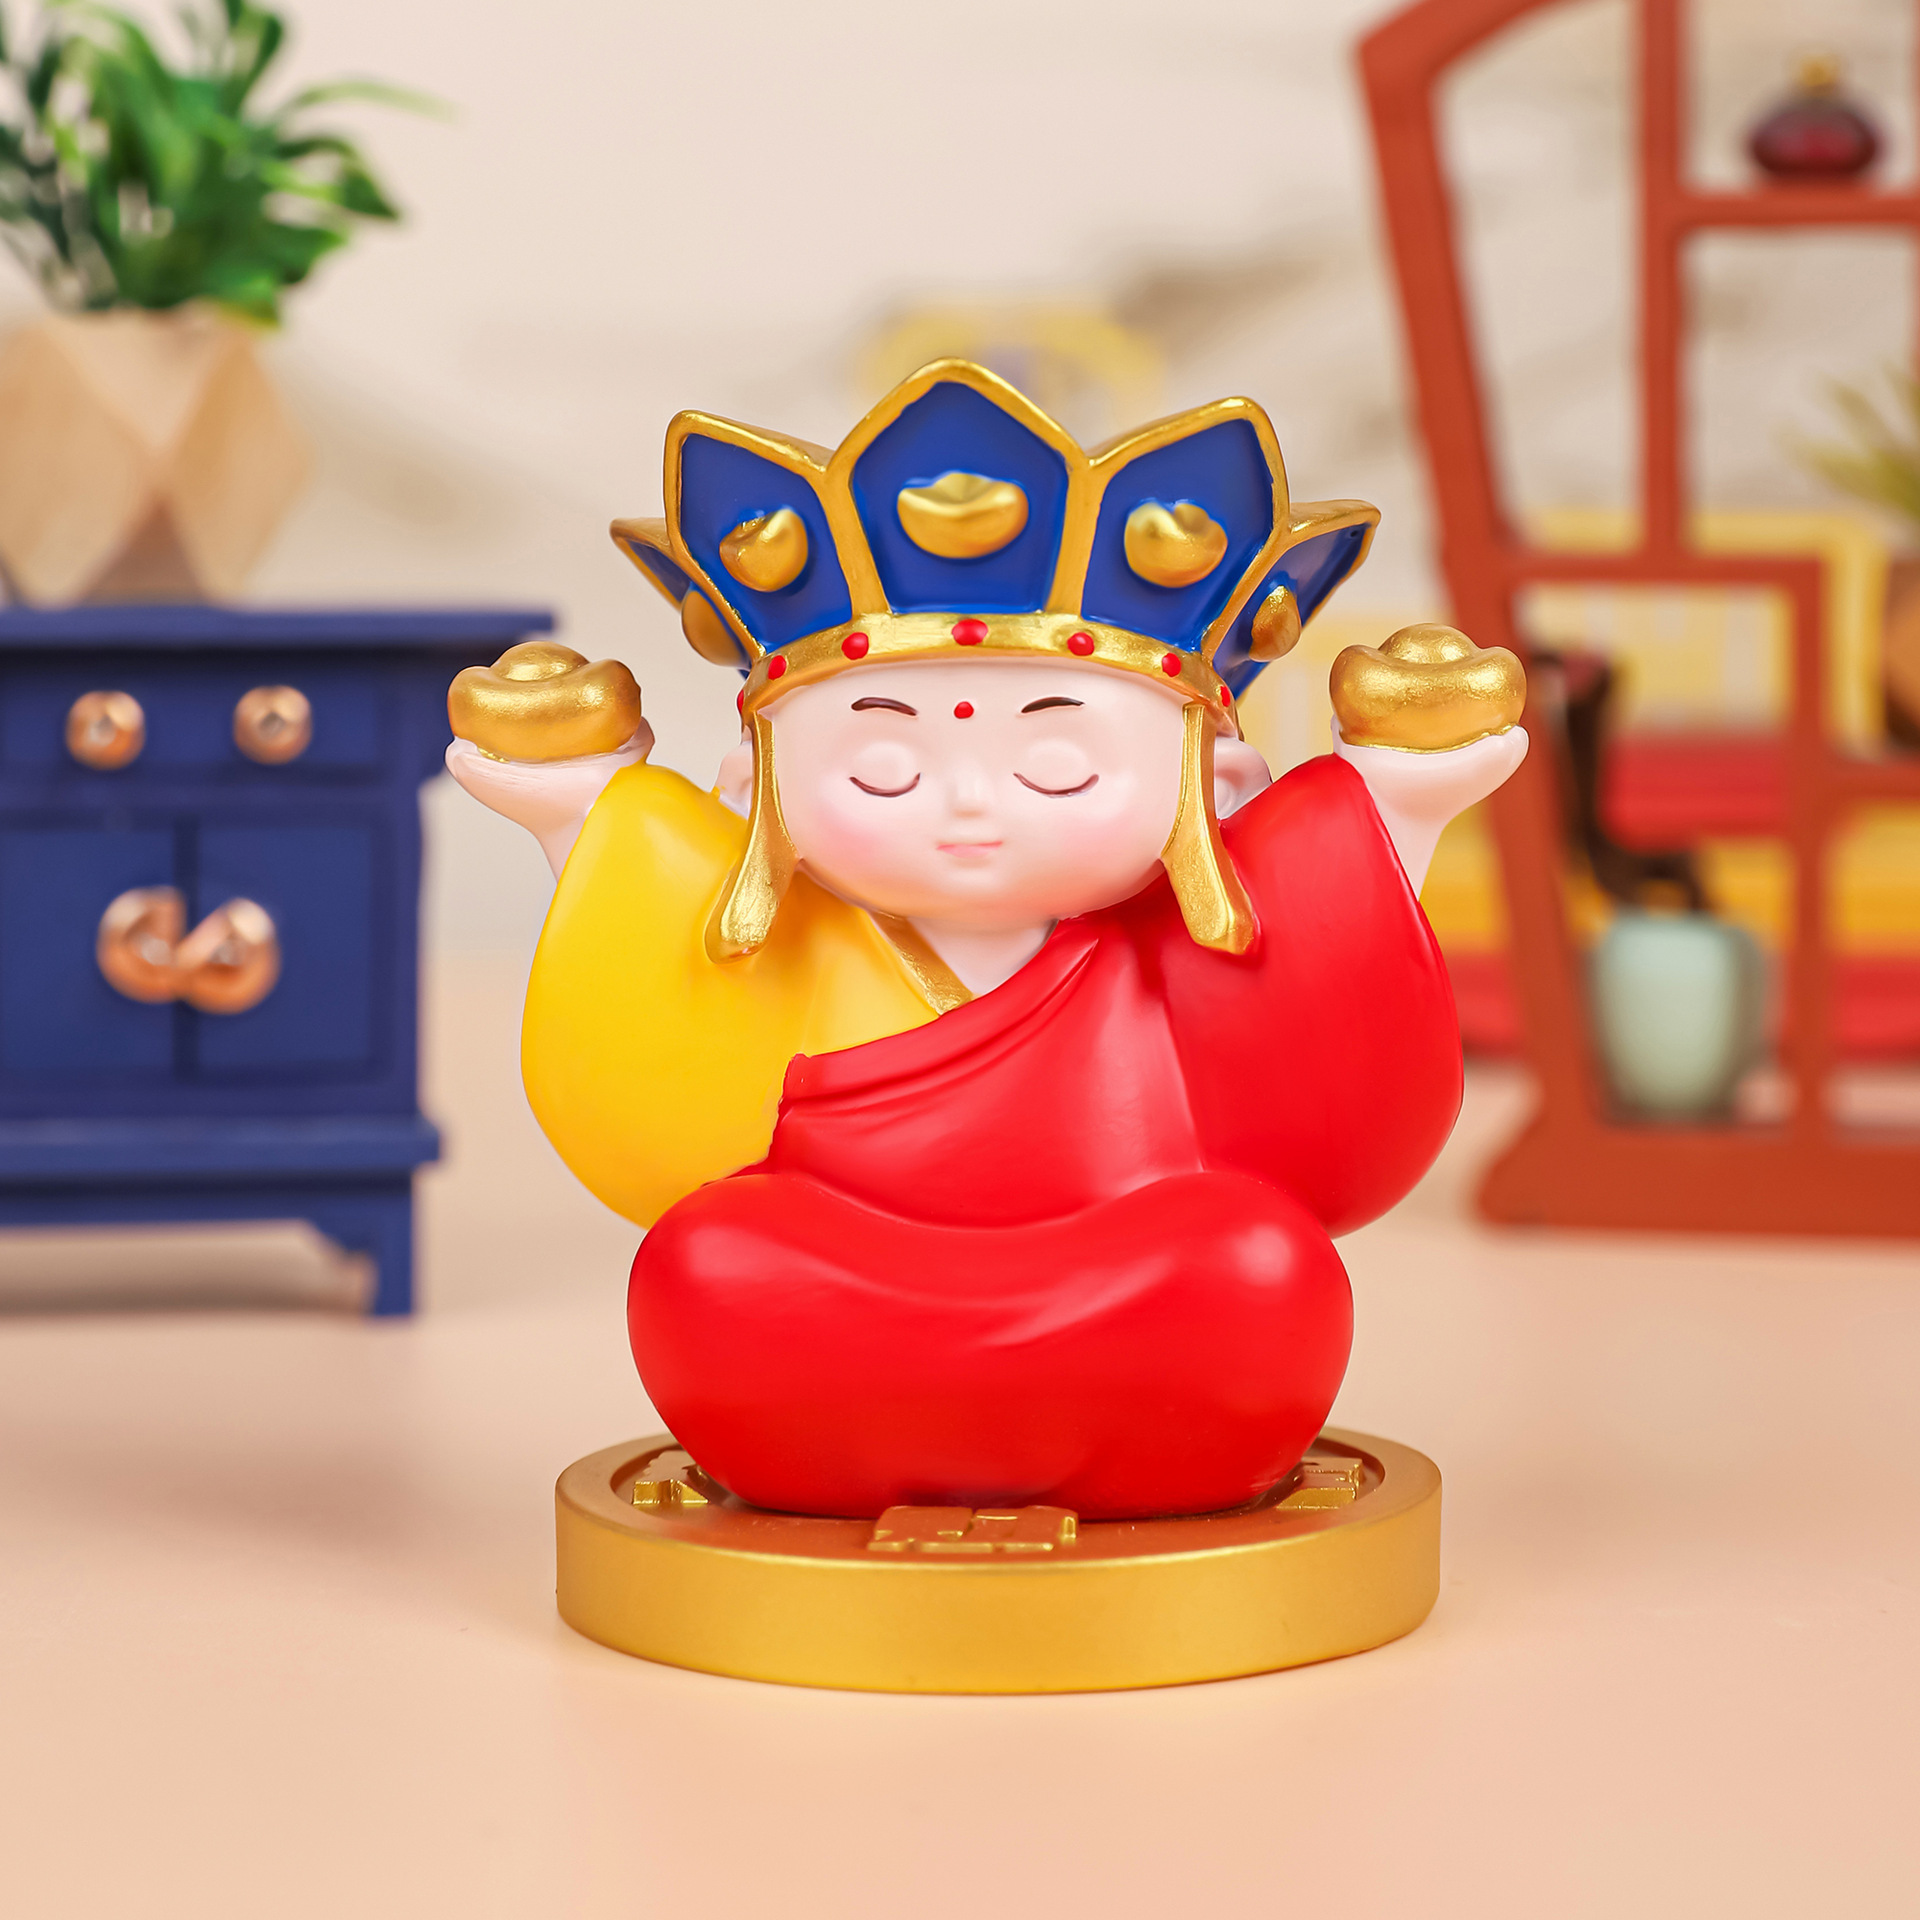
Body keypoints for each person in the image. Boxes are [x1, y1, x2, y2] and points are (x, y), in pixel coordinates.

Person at [449, 360, 1527, 1519]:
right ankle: (830, 1455)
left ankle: (1151, 1454)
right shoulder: (799, 941)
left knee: (1260, 1255)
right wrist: (583, 815)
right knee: (706, 1253)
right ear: (750, 786)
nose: (969, 805)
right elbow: (658, 1055)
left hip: (1141, 1272)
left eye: (1056, 765)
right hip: (833, 1283)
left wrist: (1394, 805)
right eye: (883, 768)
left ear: (1215, 783)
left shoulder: (1162, 944)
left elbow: (1322, 1008)